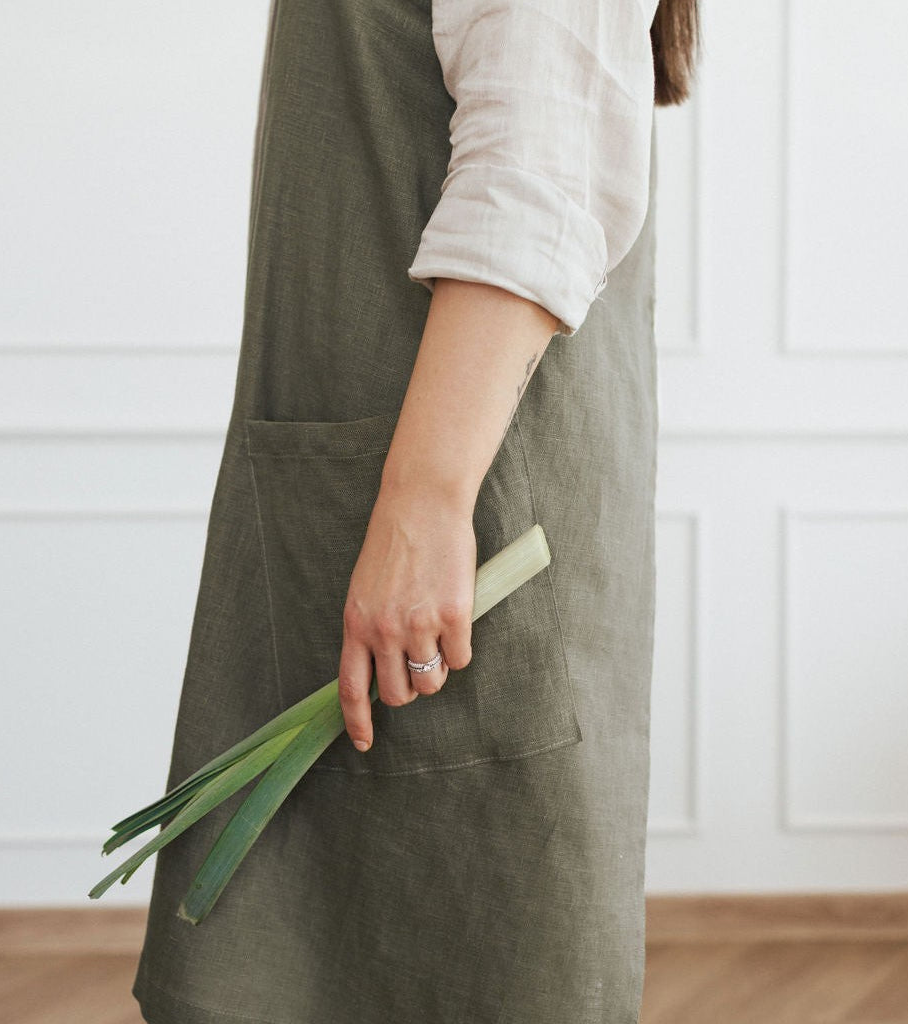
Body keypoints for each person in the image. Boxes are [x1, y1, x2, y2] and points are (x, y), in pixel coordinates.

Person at [132, 0, 701, 1021]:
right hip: (376, 500)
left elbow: (541, 177)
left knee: (474, 965)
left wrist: (426, 503)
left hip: (461, 510)